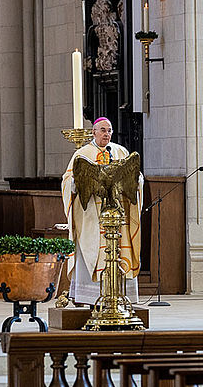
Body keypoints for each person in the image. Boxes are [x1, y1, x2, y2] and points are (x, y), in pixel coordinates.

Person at [61, 117, 142, 306]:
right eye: (103, 130)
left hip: (117, 214)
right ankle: (90, 297)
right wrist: (75, 184)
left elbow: (135, 176)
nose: (107, 134)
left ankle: (119, 296)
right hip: (92, 216)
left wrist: (138, 181)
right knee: (92, 253)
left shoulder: (120, 152)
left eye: (110, 130)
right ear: (94, 132)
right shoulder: (83, 154)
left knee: (120, 252)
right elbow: (67, 180)